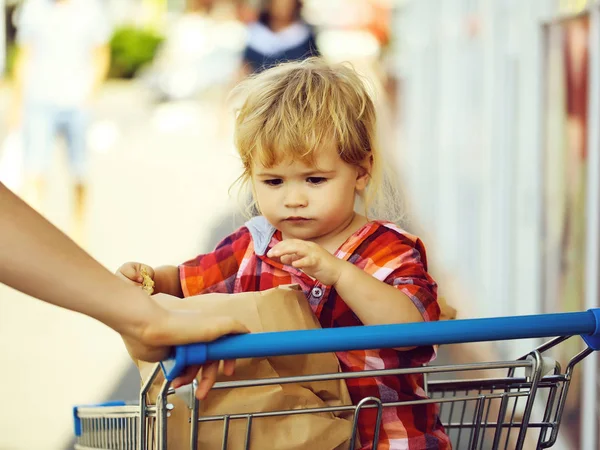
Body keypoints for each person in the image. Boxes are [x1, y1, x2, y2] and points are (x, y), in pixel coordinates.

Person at [117, 58, 451, 449]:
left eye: (314, 180)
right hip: (291, 436)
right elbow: (185, 283)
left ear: (361, 171)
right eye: (273, 181)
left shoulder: (387, 249)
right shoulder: (252, 246)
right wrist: (149, 278)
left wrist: (341, 274)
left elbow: (411, 328)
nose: (294, 199)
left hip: (385, 437)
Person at [0, 182, 247, 399]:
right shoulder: (248, 245)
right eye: (274, 181)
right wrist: (149, 285)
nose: (288, 200)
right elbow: (188, 279)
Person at [10, 0, 111, 227]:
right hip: (39, 101)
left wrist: (91, 93)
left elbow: (101, 53)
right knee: (34, 170)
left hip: (76, 103)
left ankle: (79, 228)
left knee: (80, 171)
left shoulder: (91, 9)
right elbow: (25, 55)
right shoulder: (34, 8)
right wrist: (17, 104)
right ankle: (34, 234)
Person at [241, 0, 319, 75]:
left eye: (288, 3)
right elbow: (245, 69)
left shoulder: (304, 37)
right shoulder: (256, 35)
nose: (283, 7)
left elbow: (314, 67)